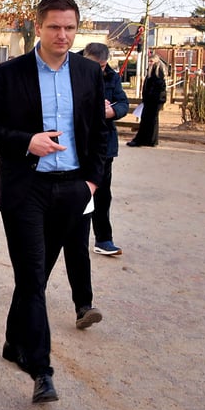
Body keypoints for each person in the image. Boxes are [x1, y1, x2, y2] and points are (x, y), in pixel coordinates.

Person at [0, 0, 106, 404]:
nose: (63, 35)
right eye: (55, 27)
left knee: (34, 279)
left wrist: (91, 182)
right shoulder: (9, 73)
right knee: (33, 278)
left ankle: (13, 341)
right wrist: (25, 142)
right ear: (38, 27)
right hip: (25, 190)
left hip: (72, 189)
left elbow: (101, 135)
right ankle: (41, 369)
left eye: (70, 28)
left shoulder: (89, 73)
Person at [82, 43, 129, 257]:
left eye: (102, 66)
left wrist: (111, 112)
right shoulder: (70, 68)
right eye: (95, 65)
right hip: (77, 142)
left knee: (102, 194)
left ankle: (103, 238)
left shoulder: (111, 76)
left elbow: (123, 104)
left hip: (104, 145)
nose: (99, 71)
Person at [127, 57, 166, 147]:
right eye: (149, 61)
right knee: (149, 119)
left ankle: (145, 140)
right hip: (151, 100)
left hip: (154, 100)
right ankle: (148, 140)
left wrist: (150, 96)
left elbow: (156, 87)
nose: (149, 62)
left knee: (150, 119)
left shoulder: (157, 72)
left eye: (151, 61)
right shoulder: (152, 71)